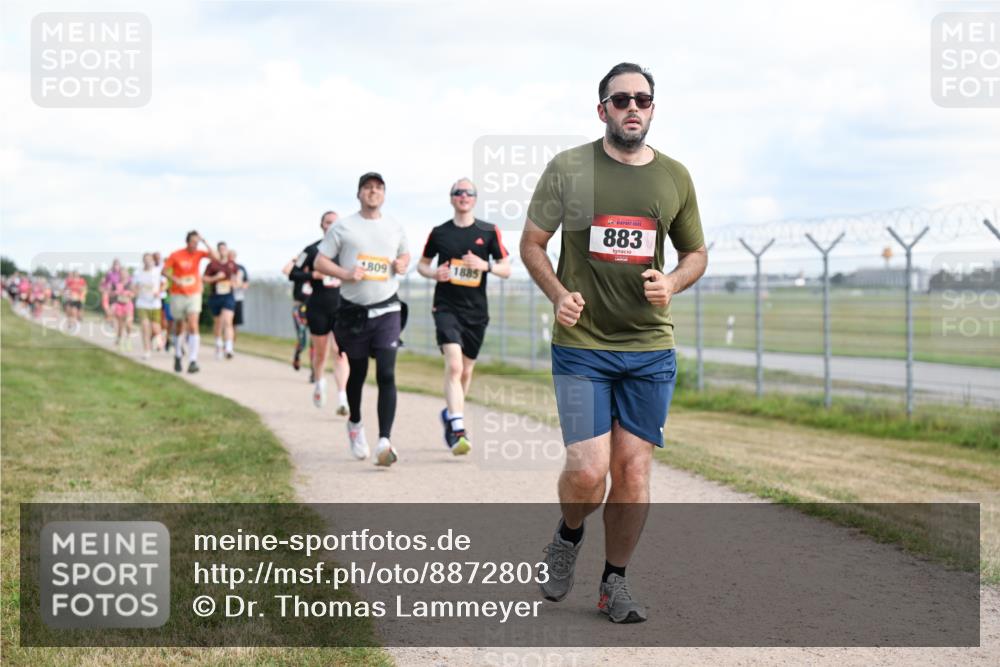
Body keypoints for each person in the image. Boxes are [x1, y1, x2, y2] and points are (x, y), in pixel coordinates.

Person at [520, 63, 707, 623]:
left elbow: (695, 253)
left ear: (652, 109)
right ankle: (568, 534)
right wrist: (557, 293)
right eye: (621, 99)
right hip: (582, 344)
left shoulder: (674, 177)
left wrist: (671, 281)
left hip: (649, 348)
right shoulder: (569, 168)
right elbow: (531, 243)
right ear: (601, 108)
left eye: (643, 100)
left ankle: (614, 583)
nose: (633, 108)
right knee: (587, 469)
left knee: (633, 472)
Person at [314, 173, 409, 466]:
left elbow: (405, 256)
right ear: (359, 194)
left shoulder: (394, 226)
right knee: (357, 373)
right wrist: (345, 274)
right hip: (354, 312)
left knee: (387, 373)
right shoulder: (344, 227)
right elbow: (320, 262)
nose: (373, 192)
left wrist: (402, 264)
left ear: (384, 194)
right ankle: (355, 424)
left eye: (379, 188)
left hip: (388, 309)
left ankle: (384, 441)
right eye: (368, 188)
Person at [418, 178, 511, 456]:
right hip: (446, 308)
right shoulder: (439, 233)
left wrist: (485, 265)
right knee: (455, 367)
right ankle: (458, 427)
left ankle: (450, 413)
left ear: (474, 198)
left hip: (476, 312)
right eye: (458, 192)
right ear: (451, 198)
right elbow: (422, 265)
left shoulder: (488, 231)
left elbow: (506, 268)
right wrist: (435, 273)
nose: (463, 196)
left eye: (468, 192)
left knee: (466, 370)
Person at [291, 212, 350, 414]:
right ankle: (320, 383)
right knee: (321, 352)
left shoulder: (347, 249)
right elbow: (293, 272)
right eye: (328, 222)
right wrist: (312, 274)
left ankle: (343, 397)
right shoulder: (311, 249)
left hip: (341, 306)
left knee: (340, 352)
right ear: (322, 225)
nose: (331, 226)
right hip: (317, 306)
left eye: (335, 223)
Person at [163, 231, 220, 373]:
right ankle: (177, 355)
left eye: (197, 242)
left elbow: (216, 258)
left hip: (194, 293)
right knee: (179, 325)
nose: (195, 245)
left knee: (193, 324)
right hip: (178, 294)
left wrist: (205, 241)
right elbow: (164, 271)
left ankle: (193, 360)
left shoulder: (199, 253)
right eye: (193, 242)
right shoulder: (176, 255)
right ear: (187, 242)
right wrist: (175, 279)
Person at [204, 242, 238, 360]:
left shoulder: (232, 264)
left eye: (225, 248)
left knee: (228, 321)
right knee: (218, 323)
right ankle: (218, 343)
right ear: (218, 251)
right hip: (215, 296)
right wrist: (215, 278)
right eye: (221, 249)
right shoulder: (212, 265)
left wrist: (235, 283)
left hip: (228, 296)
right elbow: (205, 278)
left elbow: (236, 278)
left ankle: (229, 348)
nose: (223, 251)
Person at [282, 256, 313, 377]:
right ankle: (297, 355)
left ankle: (314, 370)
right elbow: (285, 270)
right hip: (299, 309)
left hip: (313, 309)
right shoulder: (299, 275)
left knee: (314, 342)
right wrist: (295, 259)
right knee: (302, 339)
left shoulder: (314, 275)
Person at [135, 252, 167, 359]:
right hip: (142, 303)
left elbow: (165, 283)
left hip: (154, 303)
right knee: (145, 326)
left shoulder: (157, 272)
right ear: (143, 261)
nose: (148, 261)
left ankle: (160, 341)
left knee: (155, 327)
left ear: (153, 261)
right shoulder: (138, 273)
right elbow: (135, 287)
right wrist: (135, 292)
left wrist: (159, 291)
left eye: (150, 259)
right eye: (146, 259)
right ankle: (147, 350)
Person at [109, 267, 135, 350]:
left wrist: (130, 294)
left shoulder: (131, 283)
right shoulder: (116, 284)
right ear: (119, 275)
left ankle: (128, 337)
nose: (123, 275)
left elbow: (134, 293)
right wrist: (115, 292)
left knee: (128, 323)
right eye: (121, 274)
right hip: (119, 305)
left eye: (125, 273)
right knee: (120, 325)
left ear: (127, 274)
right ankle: (119, 339)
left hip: (128, 305)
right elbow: (110, 294)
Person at [230, 249, 248, 343]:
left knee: (235, 323)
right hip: (227, 298)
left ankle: (232, 344)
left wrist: (238, 285)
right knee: (226, 322)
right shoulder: (225, 267)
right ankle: (226, 344)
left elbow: (246, 283)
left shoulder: (241, 268)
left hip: (238, 298)